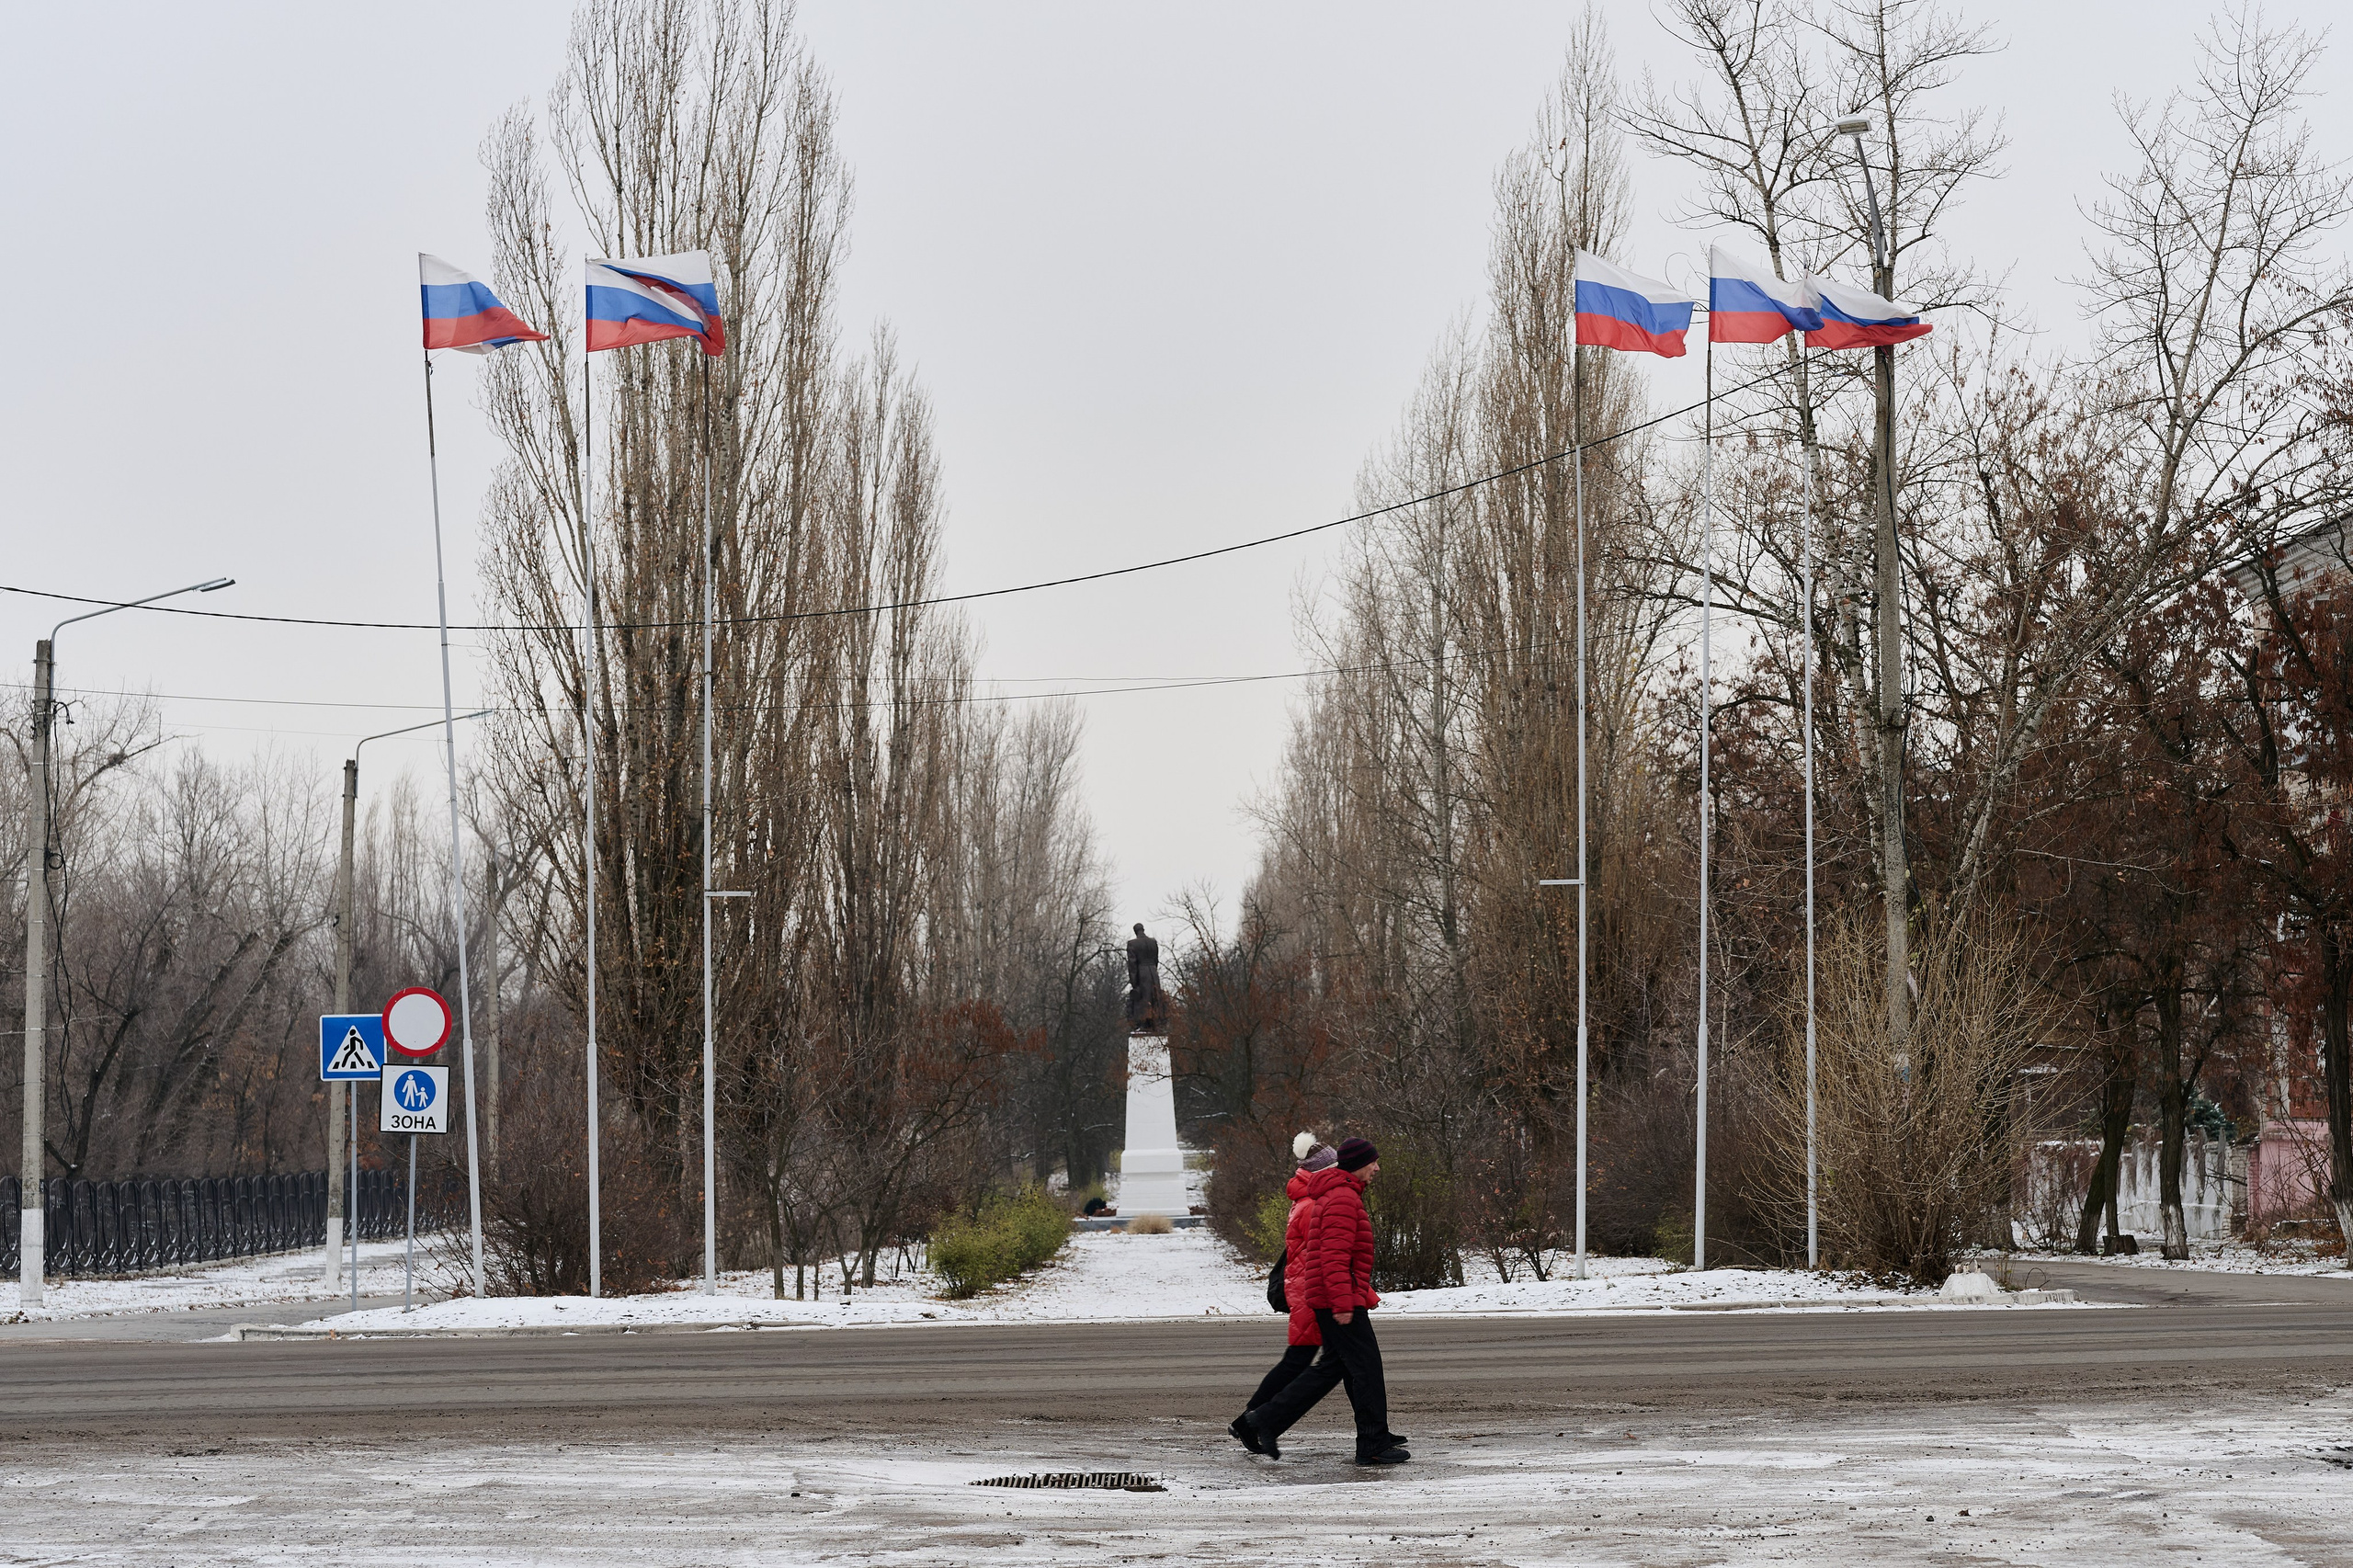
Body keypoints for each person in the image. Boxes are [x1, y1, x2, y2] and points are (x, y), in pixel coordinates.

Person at [1241, 1135, 1408, 1465]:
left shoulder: (1337, 1194)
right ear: (1359, 1164)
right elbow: (1332, 1257)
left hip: (1333, 1297)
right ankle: (1372, 1444)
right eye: (1373, 1162)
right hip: (1337, 1300)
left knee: (1333, 1369)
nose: (1377, 1167)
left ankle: (1263, 1420)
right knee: (1365, 1368)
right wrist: (1344, 1304)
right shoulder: (1342, 1199)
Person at [1229, 1133, 1346, 1458]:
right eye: (1337, 1168)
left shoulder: (1308, 1198)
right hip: (1311, 1292)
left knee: (1304, 1362)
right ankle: (1248, 1422)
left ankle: (1248, 1421)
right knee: (1303, 1363)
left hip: (1305, 1289)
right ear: (1324, 1171)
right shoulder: (1313, 1203)